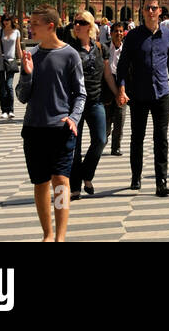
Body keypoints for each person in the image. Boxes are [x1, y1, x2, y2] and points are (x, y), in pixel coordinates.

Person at [17, 5, 84, 242]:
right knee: (40, 183)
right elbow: (22, 96)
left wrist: (73, 118)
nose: (30, 27)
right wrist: (26, 74)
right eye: (30, 23)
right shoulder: (31, 55)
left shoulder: (70, 55)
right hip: (34, 129)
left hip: (61, 129)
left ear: (50, 26)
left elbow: (80, 93)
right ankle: (47, 234)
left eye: (35, 24)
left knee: (61, 183)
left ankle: (60, 236)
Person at [116, 0, 169, 197]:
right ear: (143, 11)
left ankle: (161, 181)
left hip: (162, 93)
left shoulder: (168, 36)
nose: (151, 12)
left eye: (154, 8)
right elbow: (122, 66)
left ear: (159, 11)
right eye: (147, 8)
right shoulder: (133, 36)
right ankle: (136, 175)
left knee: (161, 138)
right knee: (138, 137)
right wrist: (121, 88)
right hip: (138, 94)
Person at [67, 11, 116, 201]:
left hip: (95, 100)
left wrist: (118, 92)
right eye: (75, 22)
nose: (76, 25)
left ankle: (87, 174)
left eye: (81, 22)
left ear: (90, 27)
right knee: (75, 148)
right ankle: (75, 186)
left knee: (101, 139)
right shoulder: (70, 49)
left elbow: (107, 75)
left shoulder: (100, 48)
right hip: (75, 103)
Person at [0, 15, 21, 122]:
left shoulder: (16, 32)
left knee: (9, 85)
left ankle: (11, 110)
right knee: (2, 87)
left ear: (11, 21)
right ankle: (4, 111)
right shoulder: (0, 31)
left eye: (7, 20)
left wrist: (23, 60)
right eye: (4, 20)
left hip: (11, 62)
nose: (5, 22)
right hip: (0, 62)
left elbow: (18, 48)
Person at [106, 22, 127, 154]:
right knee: (106, 121)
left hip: (121, 87)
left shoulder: (126, 50)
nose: (118, 34)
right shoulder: (104, 48)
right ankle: (103, 140)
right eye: (116, 31)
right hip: (107, 87)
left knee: (120, 119)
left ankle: (116, 147)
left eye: (121, 31)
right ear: (111, 33)